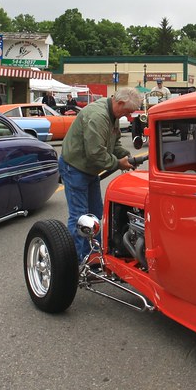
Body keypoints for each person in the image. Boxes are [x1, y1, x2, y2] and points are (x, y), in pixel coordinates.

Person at [59, 87, 143, 261]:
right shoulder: (98, 117)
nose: (127, 116)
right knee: (80, 217)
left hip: (89, 169)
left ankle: (95, 256)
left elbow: (114, 144)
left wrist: (126, 156)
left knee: (97, 214)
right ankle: (73, 262)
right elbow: (96, 153)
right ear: (119, 103)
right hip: (76, 168)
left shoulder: (113, 115)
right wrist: (118, 163)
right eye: (127, 111)